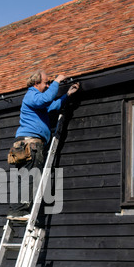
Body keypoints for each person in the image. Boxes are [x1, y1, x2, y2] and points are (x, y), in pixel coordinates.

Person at [7, 69, 79, 221]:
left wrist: (67, 95)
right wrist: (58, 81)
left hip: (25, 143)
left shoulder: (36, 100)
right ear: (35, 83)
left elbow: (51, 106)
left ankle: (17, 210)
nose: (48, 86)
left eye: (49, 83)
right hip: (31, 144)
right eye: (46, 83)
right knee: (30, 176)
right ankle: (19, 211)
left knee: (25, 176)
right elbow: (45, 100)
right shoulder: (32, 95)